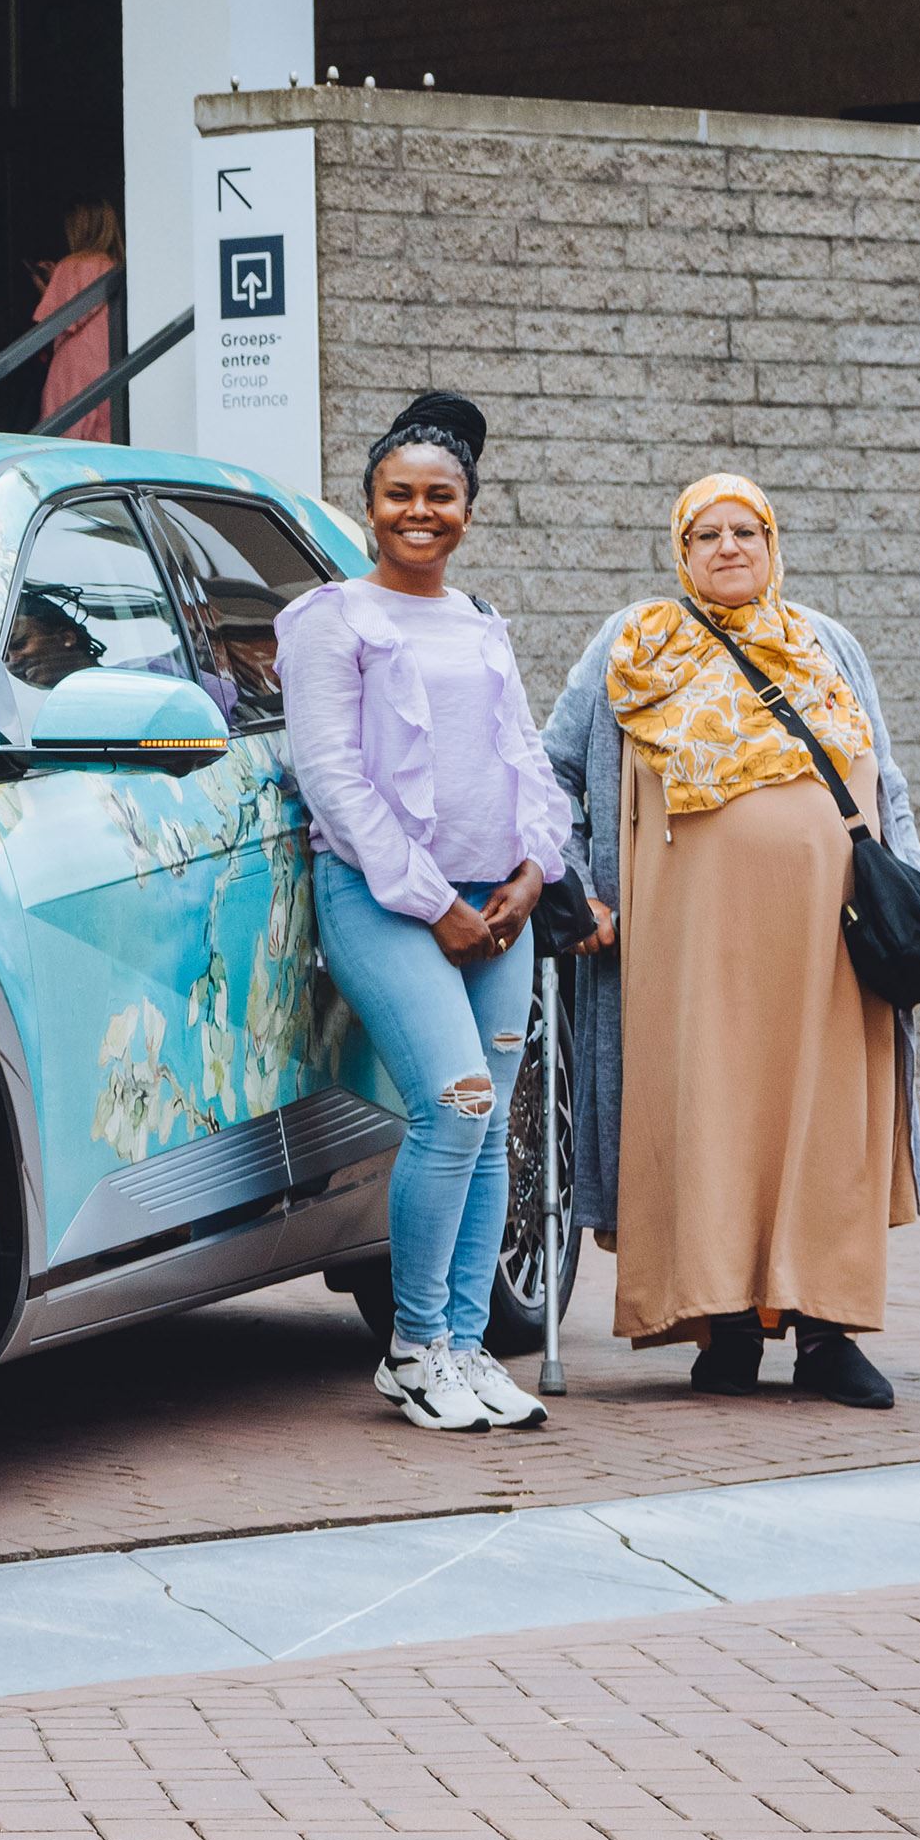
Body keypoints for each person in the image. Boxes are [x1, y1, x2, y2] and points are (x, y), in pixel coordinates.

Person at [539, 473, 920, 1406]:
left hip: (830, 943)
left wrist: (905, 895)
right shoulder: (633, 643)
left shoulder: (826, 644)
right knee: (707, 1116)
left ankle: (828, 1334)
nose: (726, 548)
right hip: (683, 949)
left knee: (825, 1120)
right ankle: (723, 1329)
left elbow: (886, 777)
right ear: (680, 550)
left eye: (744, 530)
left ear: (772, 540)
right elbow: (549, 770)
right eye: (704, 534)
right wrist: (579, 887)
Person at [274, 392, 575, 1437]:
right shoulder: (331, 621)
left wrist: (536, 871)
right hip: (387, 904)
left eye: (440, 496)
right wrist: (436, 902)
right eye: (399, 494)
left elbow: (525, 758)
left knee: (489, 1126)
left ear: (468, 510)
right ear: (367, 507)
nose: (420, 511)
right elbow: (335, 781)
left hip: (501, 906)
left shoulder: (479, 621)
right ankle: (409, 1351)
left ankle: (463, 1344)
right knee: (453, 1108)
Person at [31, 203, 121, 431]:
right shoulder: (115, 266)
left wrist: (47, 289)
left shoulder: (70, 265)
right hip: (107, 361)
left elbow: (58, 321)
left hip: (73, 367)